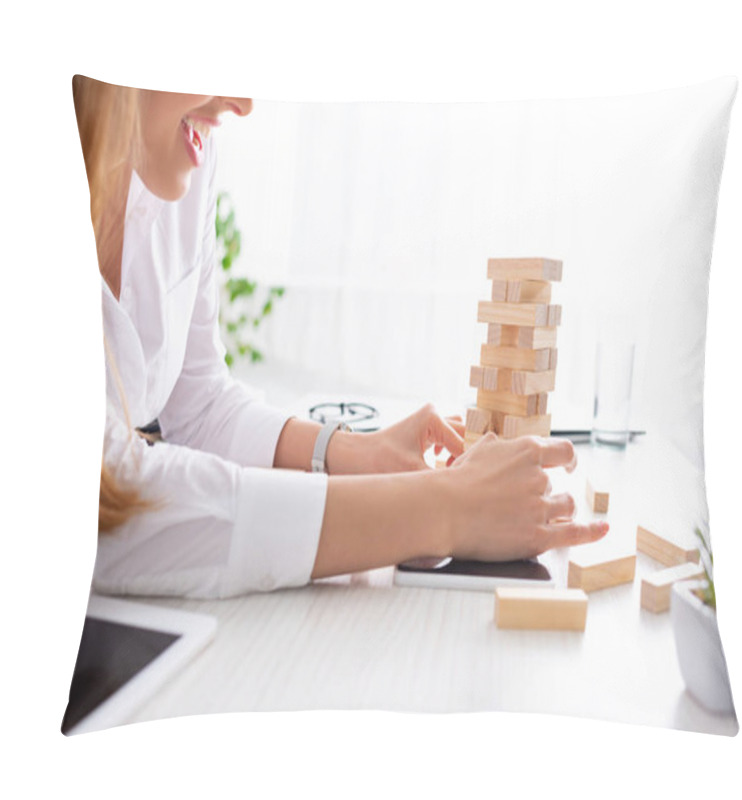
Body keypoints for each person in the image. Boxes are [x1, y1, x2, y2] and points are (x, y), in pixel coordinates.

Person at [72, 75, 608, 599]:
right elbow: (101, 501)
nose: (243, 100)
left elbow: (199, 404)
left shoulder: (185, 151)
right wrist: (444, 508)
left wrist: (348, 452)